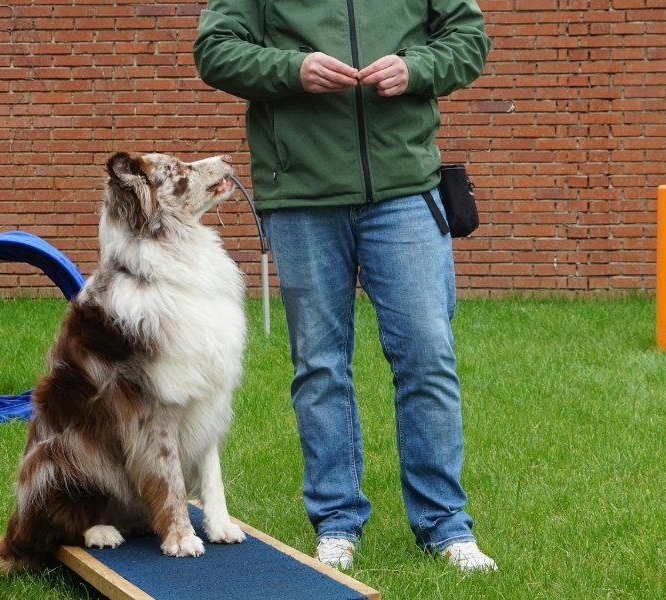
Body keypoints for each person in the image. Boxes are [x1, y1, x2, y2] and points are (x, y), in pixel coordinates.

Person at [193, 0, 497, 572]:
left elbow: (467, 37)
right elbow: (214, 50)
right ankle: (336, 522)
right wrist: (293, 69)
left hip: (407, 190)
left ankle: (444, 525)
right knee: (320, 364)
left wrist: (416, 68)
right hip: (301, 196)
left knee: (427, 358)